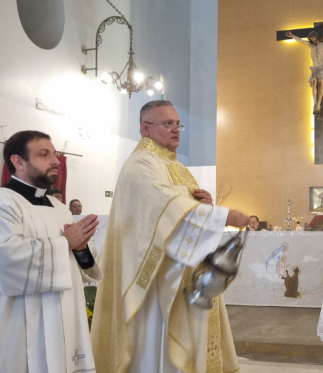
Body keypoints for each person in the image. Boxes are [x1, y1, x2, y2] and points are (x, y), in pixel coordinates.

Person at [91, 100, 249, 373]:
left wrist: (206, 206)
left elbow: (183, 209)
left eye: (178, 123)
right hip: (157, 282)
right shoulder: (141, 163)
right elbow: (165, 206)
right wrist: (224, 216)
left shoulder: (176, 166)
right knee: (159, 354)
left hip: (185, 275)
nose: (176, 129)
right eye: (167, 124)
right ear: (145, 128)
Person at [0, 131, 102, 373]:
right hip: (15, 327)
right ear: (18, 161)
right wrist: (64, 244)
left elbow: (82, 264)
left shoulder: (59, 207)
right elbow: (5, 259)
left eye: (54, 154)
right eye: (44, 154)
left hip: (63, 322)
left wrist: (80, 249)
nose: (55, 160)